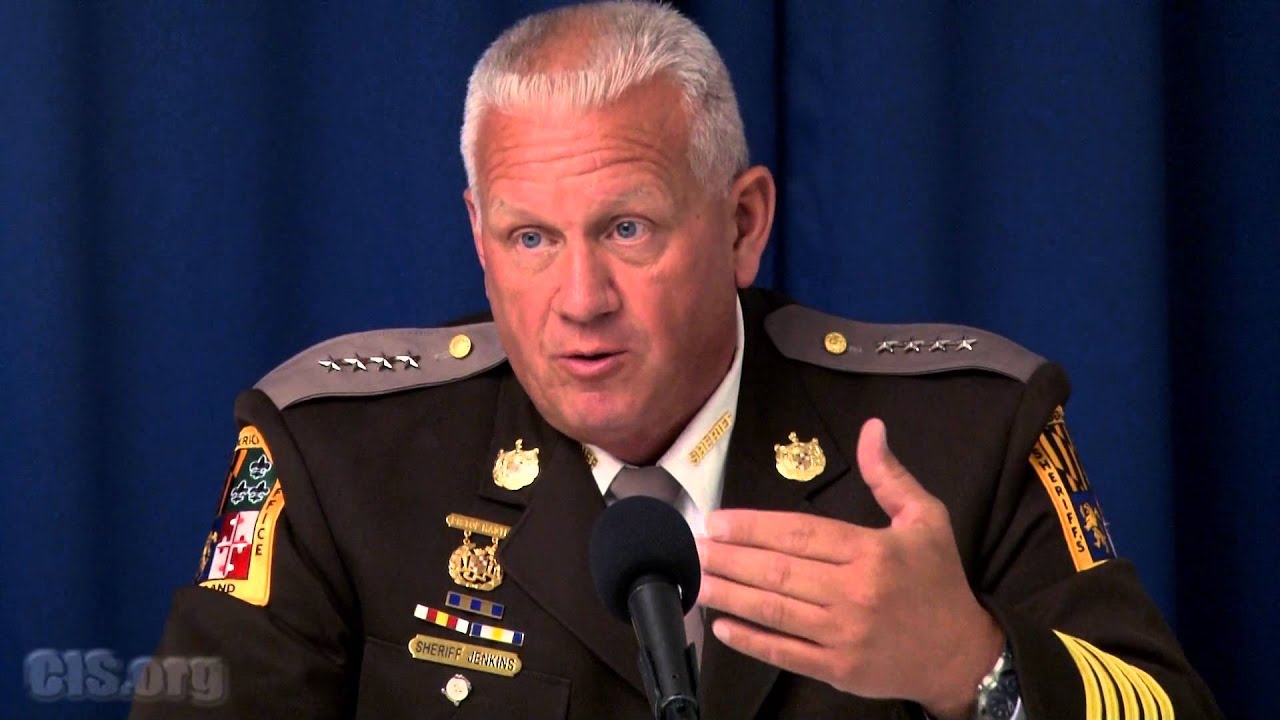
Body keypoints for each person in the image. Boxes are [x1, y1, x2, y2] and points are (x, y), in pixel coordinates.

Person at [133, 2, 1221, 718]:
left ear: (743, 225)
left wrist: (970, 666)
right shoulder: (335, 456)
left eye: (627, 229)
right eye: (530, 238)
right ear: (478, 237)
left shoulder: (967, 433)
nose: (579, 300)